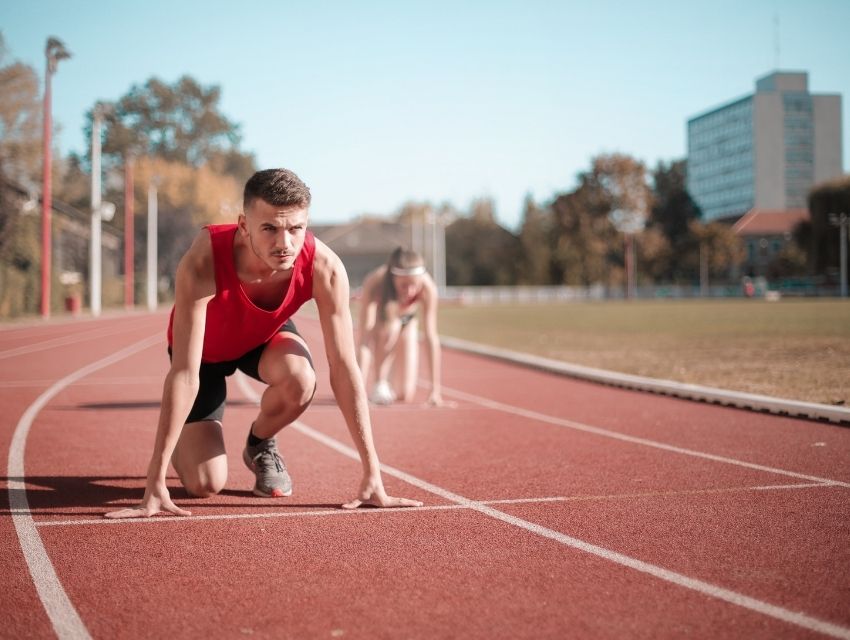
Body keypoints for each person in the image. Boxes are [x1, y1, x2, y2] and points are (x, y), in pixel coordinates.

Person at [106, 169, 422, 519]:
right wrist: (154, 481)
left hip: (262, 339)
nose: (284, 243)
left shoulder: (325, 268)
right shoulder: (204, 259)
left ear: (306, 223)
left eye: (295, 229)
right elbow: (184, 372)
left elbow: (345, 368)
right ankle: (184, 437)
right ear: (244, 225)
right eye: (269, 228)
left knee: (302, 379)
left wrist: (372, 474)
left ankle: (259, 444)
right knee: (204, 484)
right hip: (204, 356)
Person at [356, 247, 445, 406]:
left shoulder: (428, 287)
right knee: (391, 329)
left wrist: (435, 391)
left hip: (408, 321)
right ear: (393, 278)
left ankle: (390, 380)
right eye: (404, 285)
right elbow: (364, 339)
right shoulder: (375, 282)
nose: (410, 291)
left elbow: (431, 337)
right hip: (382, 321)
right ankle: (379, 382)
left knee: (404, 394)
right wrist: (357, 388)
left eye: (414, 285)